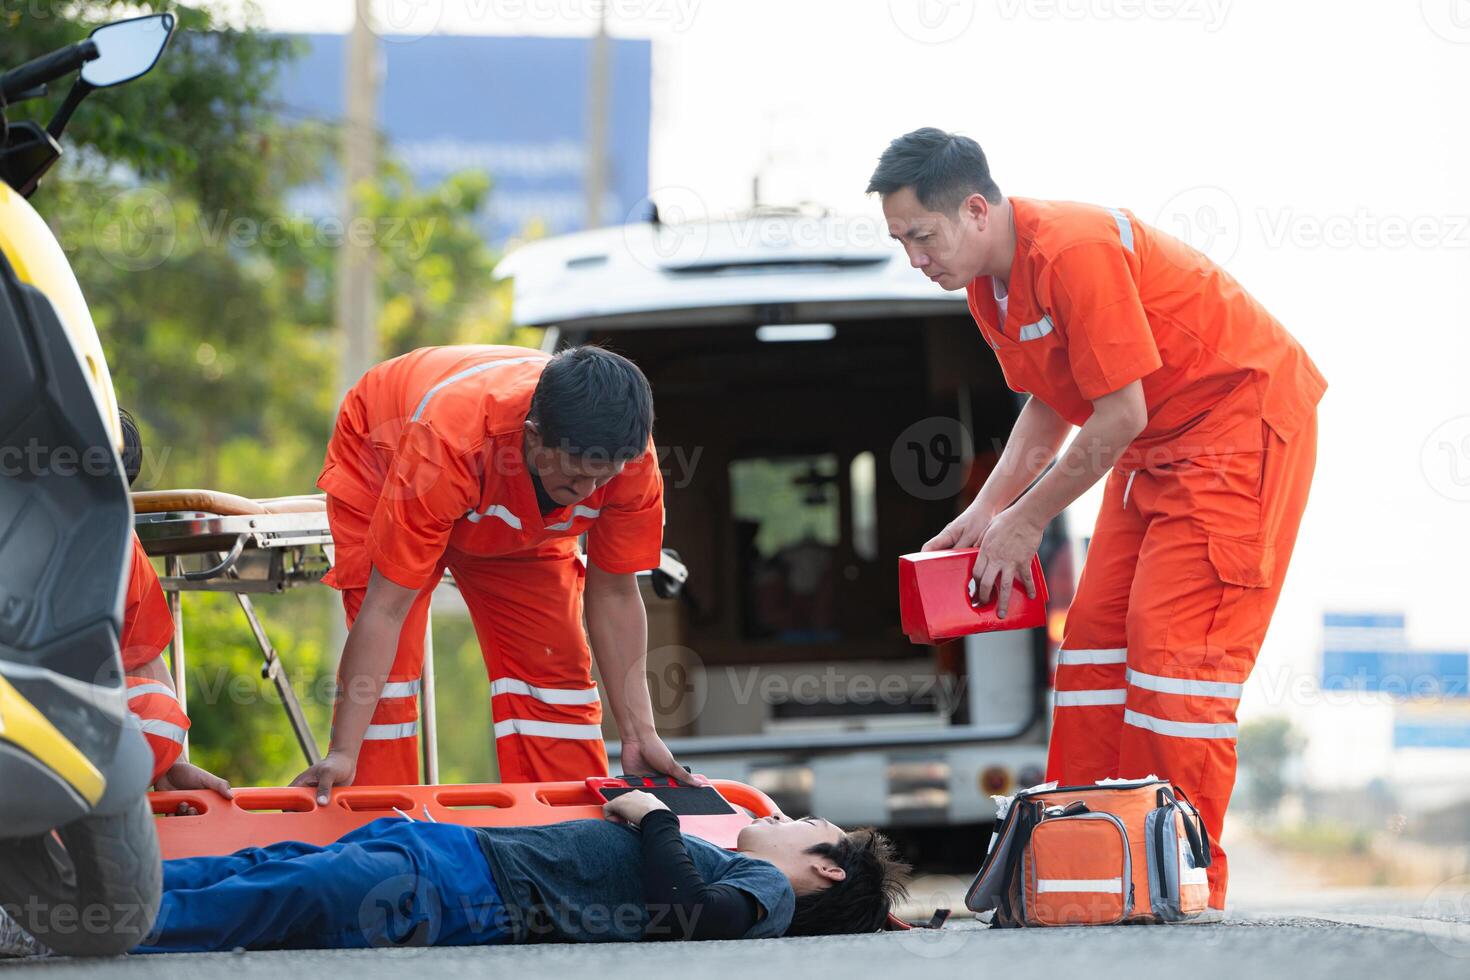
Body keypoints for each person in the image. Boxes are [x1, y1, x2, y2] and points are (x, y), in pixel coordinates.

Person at [868, 128, 1326, 916]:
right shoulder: (989, 286)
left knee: (1171, 661)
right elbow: (1050, 406)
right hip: (1155, 447)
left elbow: (1117, 413)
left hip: (1234, 431)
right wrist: (984, 514)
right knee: (1094, 654)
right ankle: (1090, 872)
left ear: (976, 210)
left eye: (922, 236)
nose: (914, 257)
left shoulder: (1074, 249)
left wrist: (1026, 522)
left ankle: (1179, 885)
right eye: (900, 241)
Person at [294, 345, 684, 797]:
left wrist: (640, 734)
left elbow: (615, 593)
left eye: (604, 479)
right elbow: (385, 610)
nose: (589, 494)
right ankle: (376, 831)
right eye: (577, 479)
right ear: (535, 436)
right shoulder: (445, 444)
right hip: (387, 456)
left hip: (503, 497)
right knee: (390, 679)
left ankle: (566, 833)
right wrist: (342, 752)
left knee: (553, 667)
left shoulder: (628, 459)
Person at [131, 792, 910, 950]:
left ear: (826, 872)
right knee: (266, 868)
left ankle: (106, 924)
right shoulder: (758, 878)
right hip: (454, 857)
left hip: (466, 889)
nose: (775, 817)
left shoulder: (768, 893)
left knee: (277, 891)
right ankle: (94, 901)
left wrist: (656, 819)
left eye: (797, 824)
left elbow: (695, 914)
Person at [118, 409, 233, 801]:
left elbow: (141, 656)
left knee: (158, 710)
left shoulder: (119, 547)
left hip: (61, 722)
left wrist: (172, 764)